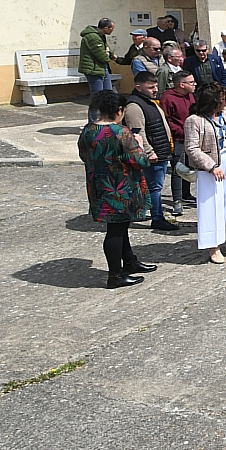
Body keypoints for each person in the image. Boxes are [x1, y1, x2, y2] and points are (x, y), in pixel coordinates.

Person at [78, 91, 158, 288]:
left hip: (98, 186)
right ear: (119, 110)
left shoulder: (88, 130)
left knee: (120, 227)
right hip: (121, 189)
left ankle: (129, 261)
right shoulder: (120, 132)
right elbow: (140, 160)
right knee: (115, 231)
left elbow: (83, 155)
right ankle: (115, 275)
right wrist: (139, 144)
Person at [184, 84, 226, 264]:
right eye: (222, 99)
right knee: (211, 205)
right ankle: (213, 245)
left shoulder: (225, 116)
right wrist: (211, 167)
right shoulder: (194, 120)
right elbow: (192, 148)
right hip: (210, 169)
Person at [123, 71, 180, 232]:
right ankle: (157, 218)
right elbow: (137, 132)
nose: (155, 90)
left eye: (155, 86)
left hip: (161, 149)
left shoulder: (150, 101)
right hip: (153, 153)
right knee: (154, 187)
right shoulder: (134, 106)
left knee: (152, 186)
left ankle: (141, 212)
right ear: (138, 87)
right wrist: (149, 152)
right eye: (151, 87)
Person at [161, 70, 197, 215]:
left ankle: (186, 195)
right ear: (182, 84)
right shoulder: (168, 98)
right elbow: (167, 120)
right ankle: (177, 200)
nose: (194, 84)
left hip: (192, 137)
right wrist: (181, 131)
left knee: (189, 166)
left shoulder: (190, 95)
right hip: (178, 138)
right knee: (178, 169)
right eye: (191, 82)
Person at [79, 18, 118, 119]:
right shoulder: (92, 37)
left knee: (108, 95)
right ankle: (92, 122)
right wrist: (107, 55)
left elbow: (107, 48)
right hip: (94, 70)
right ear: (106, 28)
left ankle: (107, 120)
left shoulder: (101, 35)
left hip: (102, 68)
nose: (113, 30)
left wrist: (110, 54)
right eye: (112, 28)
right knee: (97, 98)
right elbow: (103, 57)